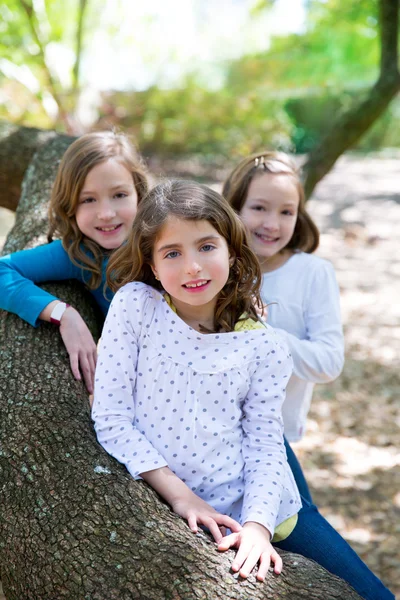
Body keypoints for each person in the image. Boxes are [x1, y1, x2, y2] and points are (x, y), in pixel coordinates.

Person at [92, 180, 394, 599]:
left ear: (232, 251)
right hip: (178, 500)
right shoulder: (135, 307)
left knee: (368, 593)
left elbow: (267, 444)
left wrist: (257, 526)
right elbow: (111, 418)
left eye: (206, 247)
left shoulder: (265, 345)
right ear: (151, 263)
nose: (193, 267)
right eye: (173, 253)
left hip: (263, 504)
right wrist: (183, 498)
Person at [222, 152, 344, 501]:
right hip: (209, 438)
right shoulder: (212, 269)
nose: (272, 224)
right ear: (234, 208)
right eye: (259, 208)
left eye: (286, 212)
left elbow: (328, 362)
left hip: (276, 439)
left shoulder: (312, 273)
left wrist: (260, 332)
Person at [0, 130, 148, 394]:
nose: (106, 213)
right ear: (70, 206)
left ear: (138, 193)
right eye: (88, 199)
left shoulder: (166, 237)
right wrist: (62, 313)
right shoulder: (80, 254)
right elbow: (3, 270)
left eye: (119, 195)